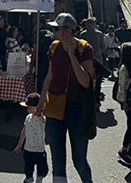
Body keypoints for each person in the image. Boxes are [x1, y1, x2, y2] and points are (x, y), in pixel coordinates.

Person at [36, 13, 94, 183]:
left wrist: (72, 55)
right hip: (54, 109)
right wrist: (40, 105)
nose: (53, 31)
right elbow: (49, 77)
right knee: (57, 163)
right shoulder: (53, 47)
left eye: (56, 28)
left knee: (80, 162)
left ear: (68, 31)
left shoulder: (85, 49)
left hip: (77, 110)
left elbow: (86, 82)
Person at [114, 42, 131, 165]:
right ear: (129, 54)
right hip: (127, 99)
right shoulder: (124, 68)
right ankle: (123, 149)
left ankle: (130, 147)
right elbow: (122, 86)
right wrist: (123, 101)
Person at [15, 92, 49, 183]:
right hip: (28, 149)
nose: (27, 109)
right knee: (28, 167)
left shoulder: (42, 118)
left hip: (39, 150)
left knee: (43, 169)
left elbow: (43, 119)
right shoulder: (28, 117)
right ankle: (28, 178)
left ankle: (39, 178)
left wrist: (39, 113)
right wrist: (19, 144)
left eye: (30, 107)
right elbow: (24, 131)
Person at [78, 17, 106, 109]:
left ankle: (89, 102)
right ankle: (96, 101)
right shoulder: (99, 34)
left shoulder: (82, 35)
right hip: (97, 61)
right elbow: (103, 47)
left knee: (87, 82)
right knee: (97, 83)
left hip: (86, 62)